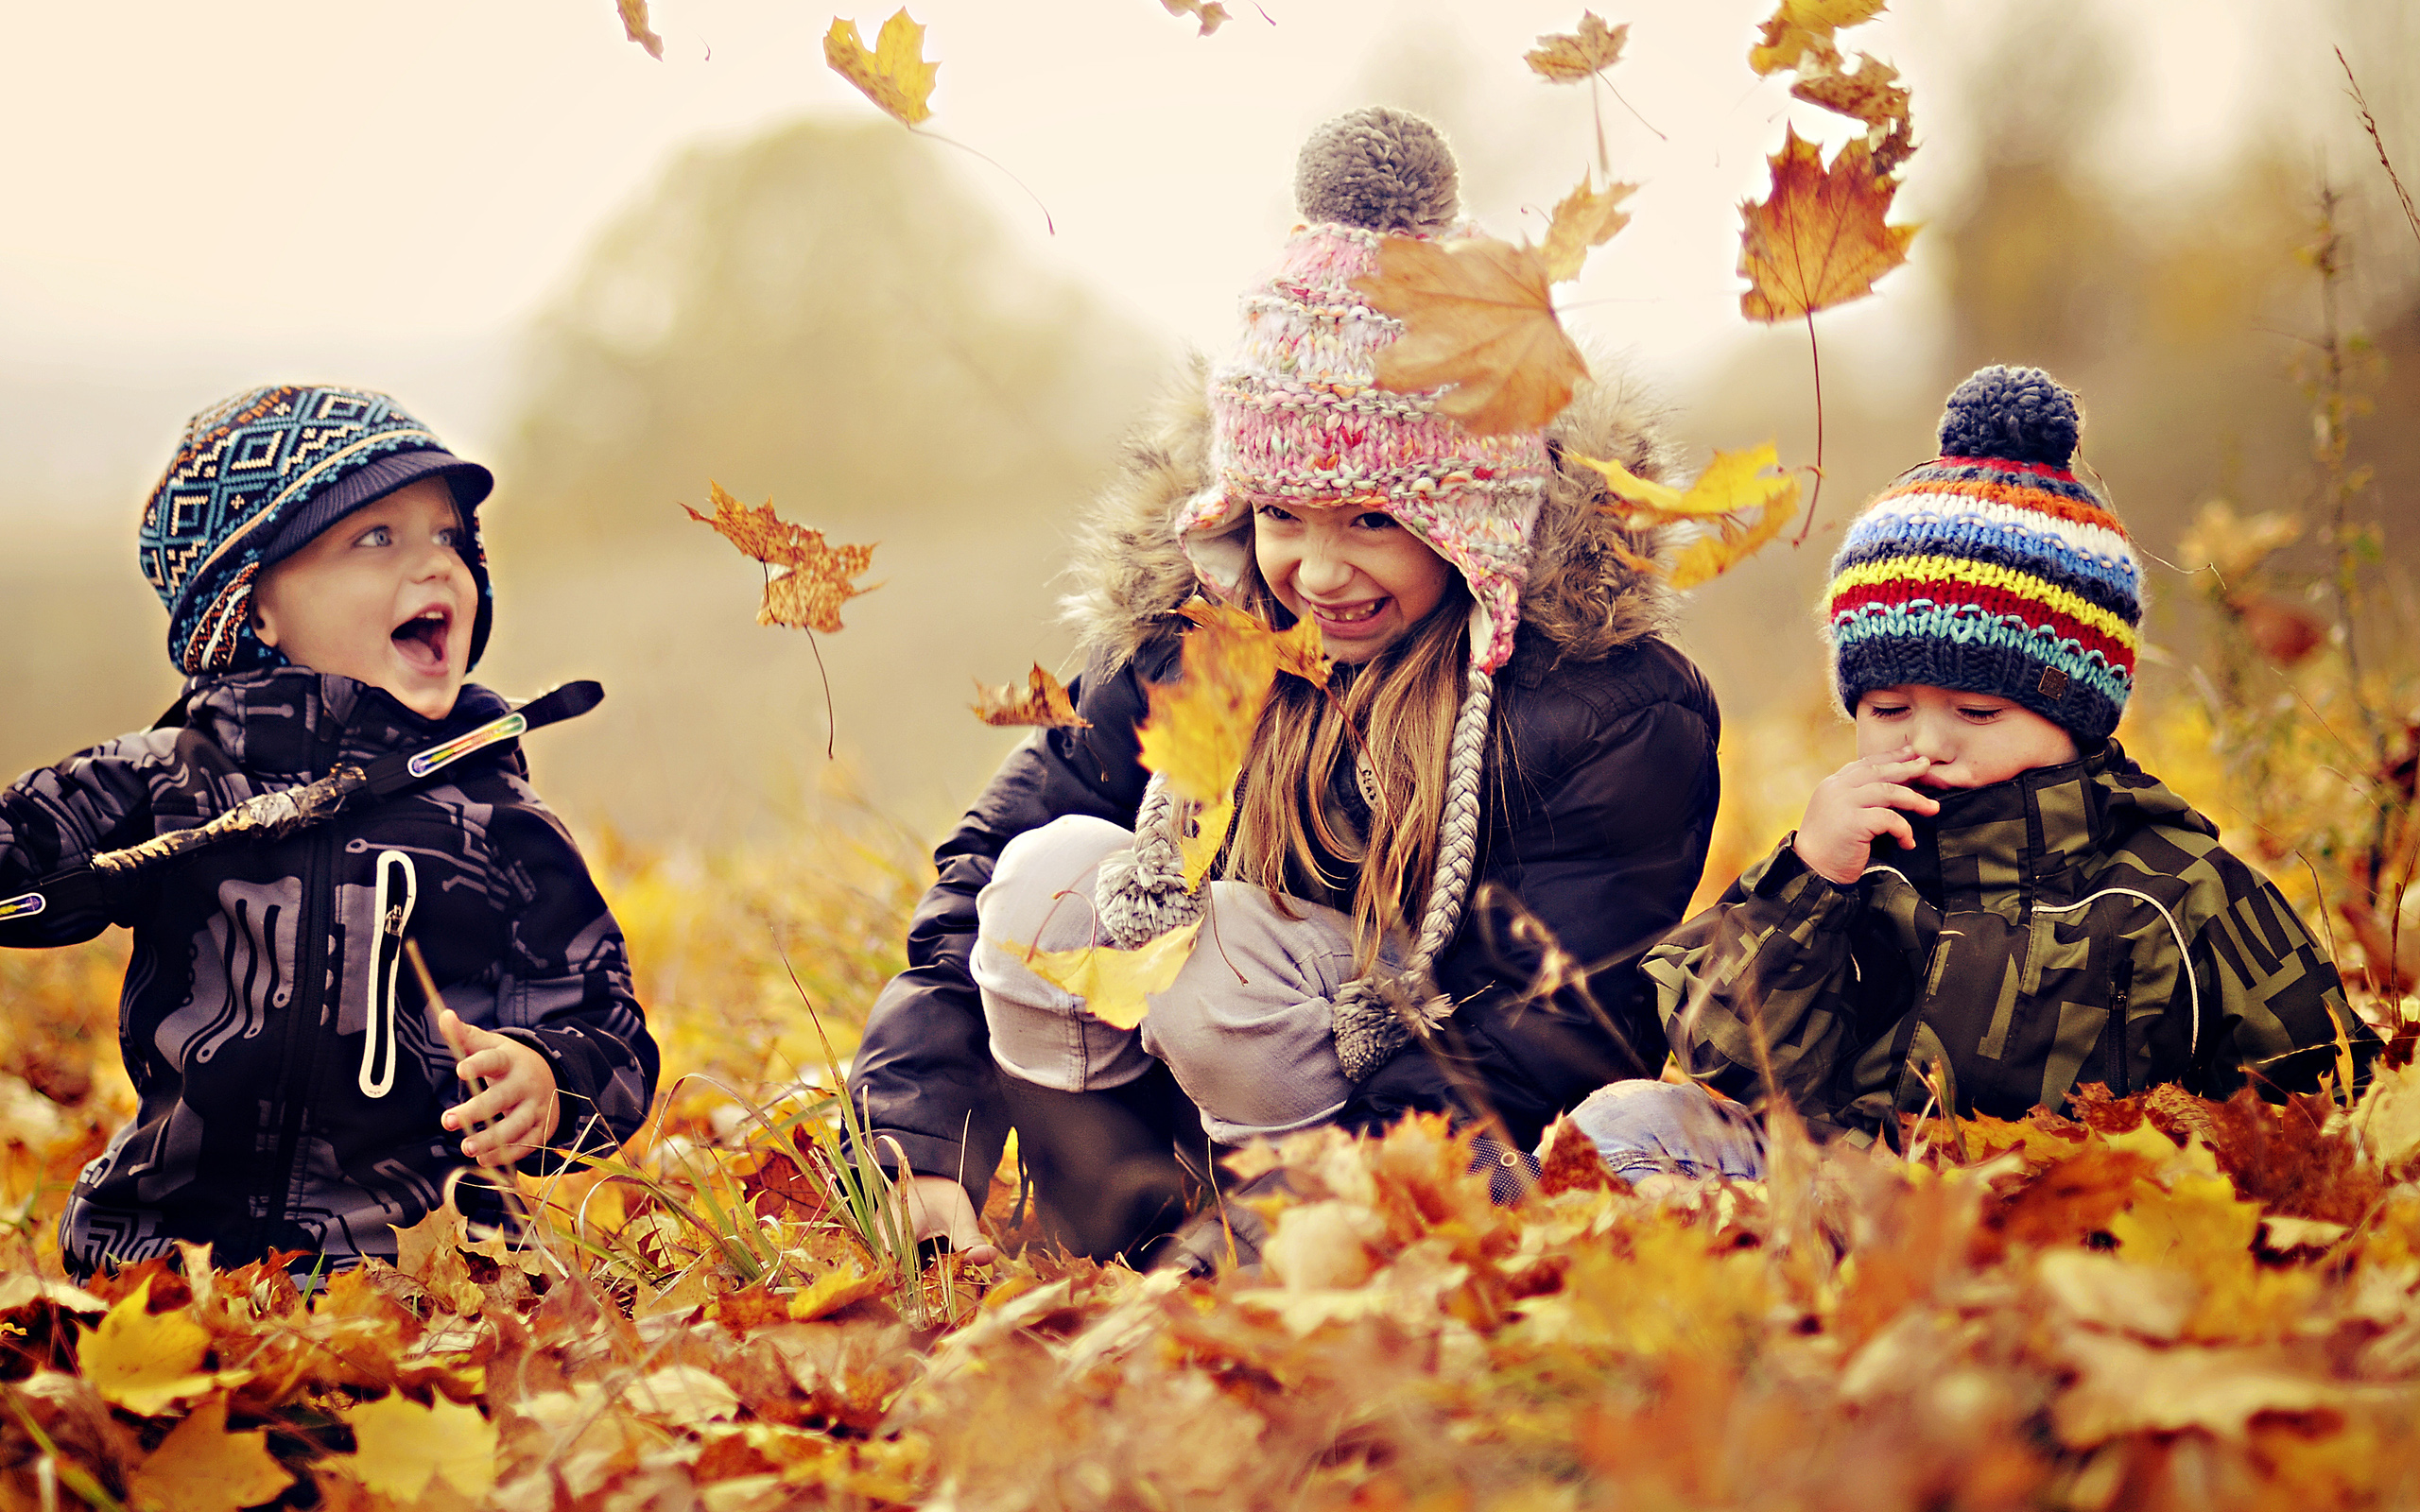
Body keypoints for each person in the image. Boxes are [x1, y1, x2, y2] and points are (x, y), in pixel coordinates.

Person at [848, 109, 1722, 1263]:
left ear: (1474, 524)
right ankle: (1115, 1227)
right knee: (1045, 881)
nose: (1317, 570)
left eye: (1371, 519)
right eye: (1279, 517)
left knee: (1231, 970)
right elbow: (982, 872)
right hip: (1184, 1145)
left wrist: (1285, 1232)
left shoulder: (1597, 712)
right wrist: (918, 1138)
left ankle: (1264, 1252)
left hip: (1426, 1162)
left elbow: (1540, 1036)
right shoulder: (1204, 643)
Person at [1567, 365, 2377, 1191]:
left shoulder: (2177, 889)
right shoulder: (1859, 861)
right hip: (1846, 1195)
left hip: (2064, 1235)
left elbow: (2326, 1099)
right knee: (1623, 1121)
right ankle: (1566, 1230)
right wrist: (1806, 885)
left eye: (1976, 713)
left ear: (2078, 714)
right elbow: (1728, 1056)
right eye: (1887, 708)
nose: (1927, 743)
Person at [0, 386, 659, 1279]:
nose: (436, 566)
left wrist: (546, 1079)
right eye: (376, 537)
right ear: (254, 607)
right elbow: (26, 847)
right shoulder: (170, 776)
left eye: (450, 538)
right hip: (158, 1256)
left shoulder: (498, 822)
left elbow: (608, 1029)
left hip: (414, 1278)